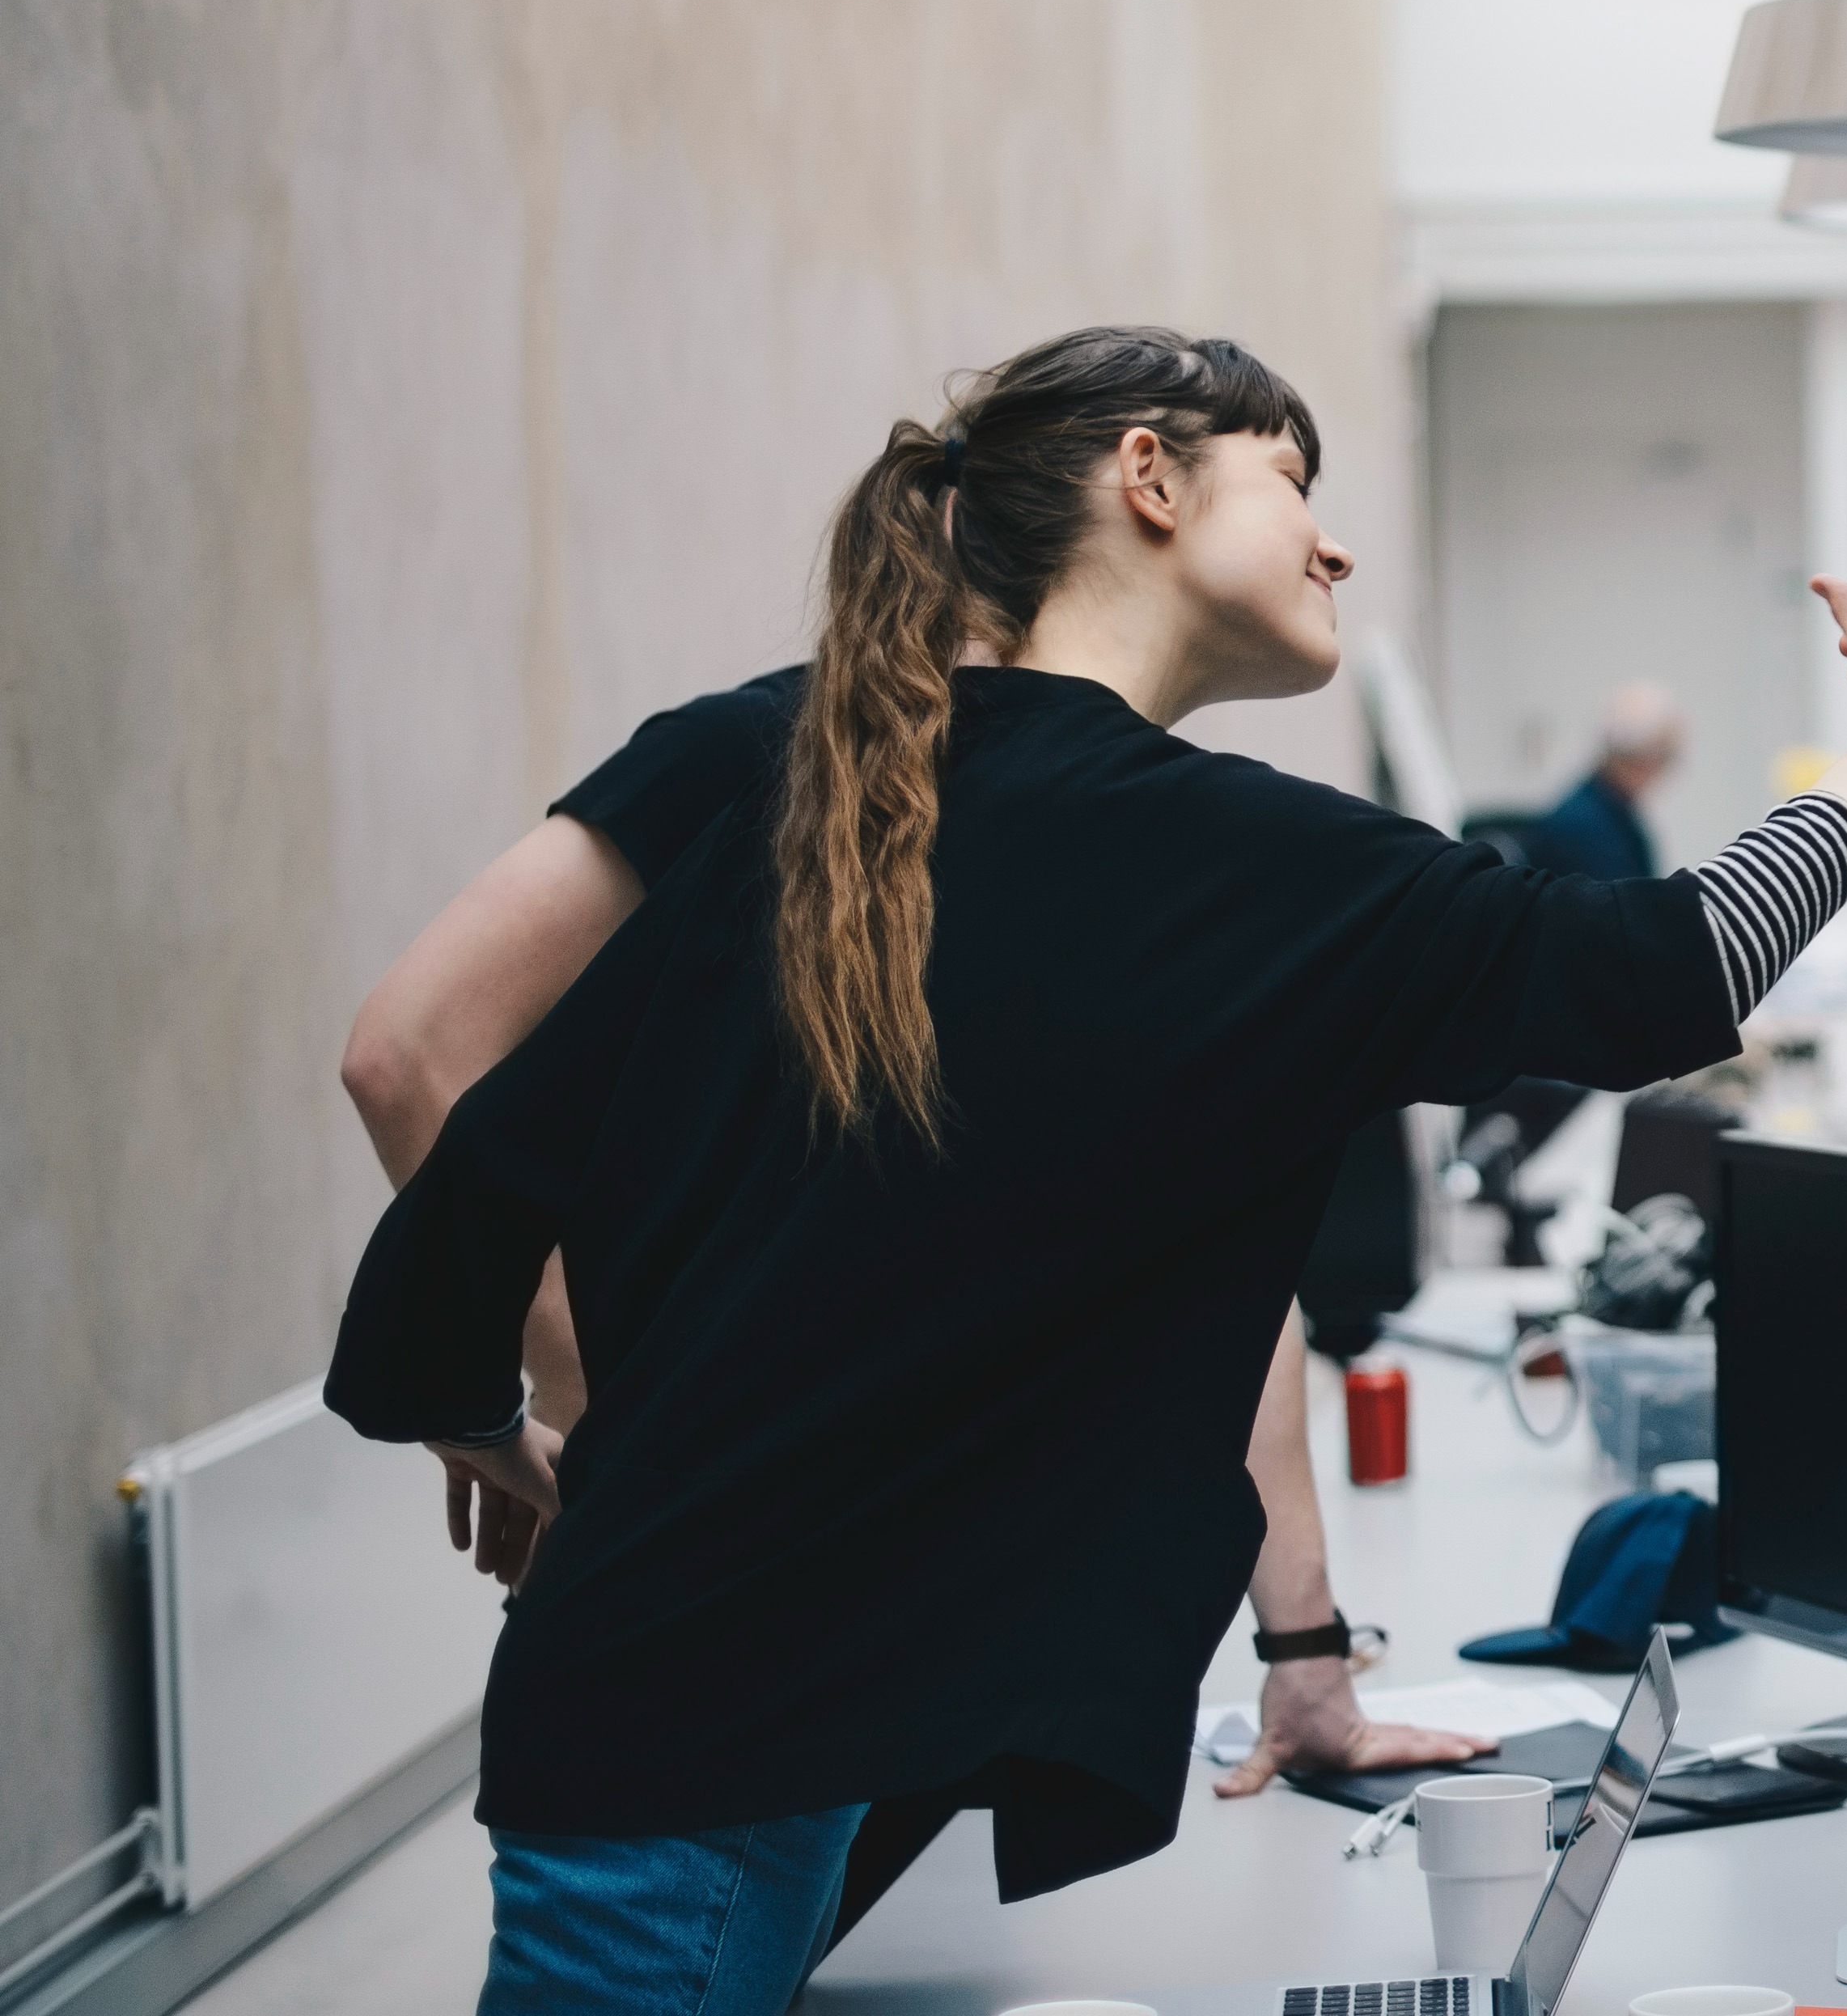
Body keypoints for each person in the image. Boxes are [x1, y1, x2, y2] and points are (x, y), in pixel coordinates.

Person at [327, 328, 1847, 2014]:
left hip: (688, 1698)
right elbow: (1675, 964)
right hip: (720, 1747)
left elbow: (501, 1161)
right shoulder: (1233, 860)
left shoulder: (818, 777)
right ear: (1150, 477)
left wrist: (489, 1406)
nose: (1333, 543)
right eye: (1295, 481)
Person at [339, 675, 1485, 1838]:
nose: (1324, 544)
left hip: (941, 1626)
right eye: (1286, 481)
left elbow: (1220, 1272)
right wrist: (587, 1389)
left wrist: (1304, 1655)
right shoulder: (765, 758)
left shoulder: (1109, 824)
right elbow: (410, 1054)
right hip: (754, 1618)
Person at [1479, 680, 1684, 881]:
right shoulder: (1589, 829)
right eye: (1667, 757)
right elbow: (1629, 909)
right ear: (1643, 761)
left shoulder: (1607, 812)